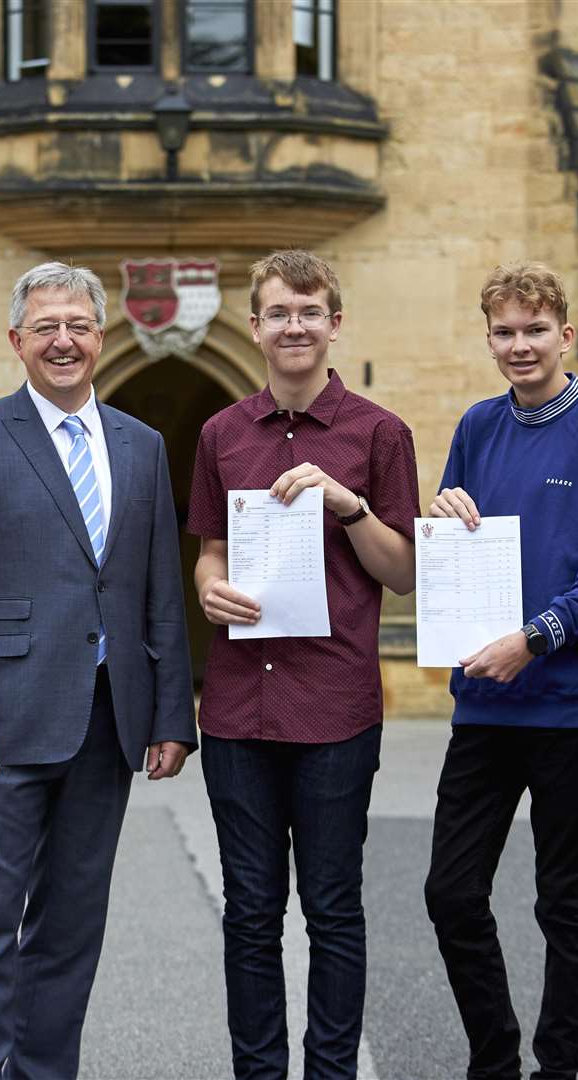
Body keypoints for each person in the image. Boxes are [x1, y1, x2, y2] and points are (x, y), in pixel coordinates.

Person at [0, 261, 196, 1079]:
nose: (63, 341)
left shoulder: (140, 447)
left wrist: (171, 715)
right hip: (0, 723)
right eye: (45, 327)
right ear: (16, 341)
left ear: (100, 338)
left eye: (77, 326)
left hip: (107, 720)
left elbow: (156, 589)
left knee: (71, 931)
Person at [188, 249, 418, 1079]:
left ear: (333, 323)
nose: (293, 326)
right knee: (249, 914)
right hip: (238, 712)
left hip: (333, 705)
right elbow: (209, 554)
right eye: (278, 312)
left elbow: (400, 572)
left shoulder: (379, 433)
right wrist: (210, 589)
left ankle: (329, 1072)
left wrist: (348, 505)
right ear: (254, 326)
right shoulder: (221, 434)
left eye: (308, 311)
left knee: (330, 909)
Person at [422, 263, 578, 1080]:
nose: (519, 345)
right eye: (504, 333)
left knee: (562, 900)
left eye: (533, 330)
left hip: (564, 707)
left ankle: (559, 1067)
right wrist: (441, 514)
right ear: (489, 339)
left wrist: (533, 638)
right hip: (482, 706)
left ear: (564, 334)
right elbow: (453, 552)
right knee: (450, 894)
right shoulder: (478, 426)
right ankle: (495, 1058)